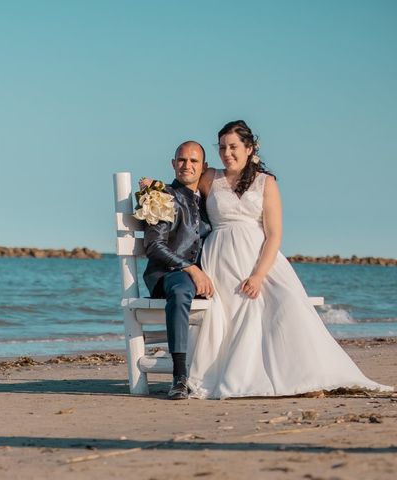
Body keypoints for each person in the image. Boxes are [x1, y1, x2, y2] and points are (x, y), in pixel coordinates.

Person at [142, 120, 392, 399]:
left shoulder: (266, 183)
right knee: (235, 315)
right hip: (220, 258)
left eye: (234, 147)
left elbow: (274, 234)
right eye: (223, 147)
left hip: (258, 257)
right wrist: (153, 186)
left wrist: (259, 274)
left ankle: (302, 375)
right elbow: (182, 182)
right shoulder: (210, 177)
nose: (227, 153)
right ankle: (240, 376)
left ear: (249, 149)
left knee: (285, 305)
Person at [141, 141, 213, 399]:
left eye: (194, 161)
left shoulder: (208, 202)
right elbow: (153, 246)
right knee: (182, 290)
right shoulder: (161, 196)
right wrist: (190, 268)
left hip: (200, 276)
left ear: (203, 167)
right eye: (182, 160)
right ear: (173, 163)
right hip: (166, 275)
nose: (187, 166)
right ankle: (180, 376)